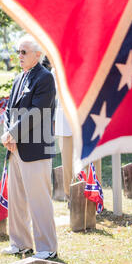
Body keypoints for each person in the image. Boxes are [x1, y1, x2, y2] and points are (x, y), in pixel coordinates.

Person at [0, 34, 58, 260]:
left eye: (24, 52)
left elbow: (37, 112)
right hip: (15, 148)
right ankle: (20, 243)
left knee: (39, 199)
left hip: (36, 148)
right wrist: (8, 133)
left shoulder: (44, 78)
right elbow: (9, 111)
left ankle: (47, 248)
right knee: (16, 199)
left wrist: (12, 132)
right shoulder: (19, 78)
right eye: (18, 51)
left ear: (38, 54)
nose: (20, 56)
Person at [52, 67, 73, 201]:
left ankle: (95, 197)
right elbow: (54, 97)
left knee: (92, 161)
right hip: (65, 121)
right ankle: (71, 197)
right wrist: (54, 120)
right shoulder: (57, 68)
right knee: (68, 163)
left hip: (89, 120)